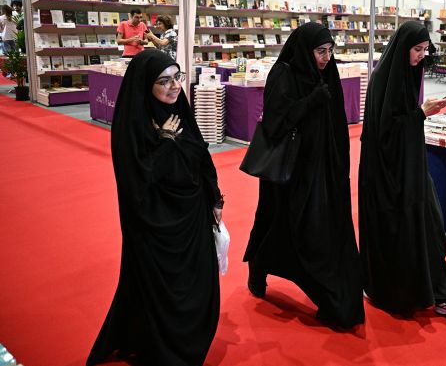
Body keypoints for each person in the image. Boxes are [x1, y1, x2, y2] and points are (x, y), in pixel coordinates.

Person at [88, 49, 224, 366]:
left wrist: (215, 197)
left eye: (177, 77)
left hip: (192, 218)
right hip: (156, 226)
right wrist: (163, 143)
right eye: (164, 81)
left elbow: (202, 156)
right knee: (164, 292)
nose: (174, 86)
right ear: (146, 84)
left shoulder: (182, 112)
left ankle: (191, 345)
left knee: (200, 284)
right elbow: (136, 180)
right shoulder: (133, 124)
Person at [243, 22, 364, 329]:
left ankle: (268, 267)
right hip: (288, 172)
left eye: (330, 51)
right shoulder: (284, 73)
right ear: (305, 49)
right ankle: (261, 266)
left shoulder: (325, 73)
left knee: (308, 230)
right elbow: (275, 122)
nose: (326, 57)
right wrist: (310, 101)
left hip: (318, 170)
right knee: (290, 225)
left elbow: (334, 123)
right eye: (320, 51)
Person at [359, 21, 446, 321]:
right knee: (407, 231)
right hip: (388, 175)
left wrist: (421, 111)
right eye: (417, 49)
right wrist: (421, 112)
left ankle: (438, 294)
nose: (422, 55)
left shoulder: (406, 73)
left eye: (425, 49)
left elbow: (400, 121)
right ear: (403, 48)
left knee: (430, 227)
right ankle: (421, 294)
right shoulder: (384, 78)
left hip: (410, 168)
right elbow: (384, 133)